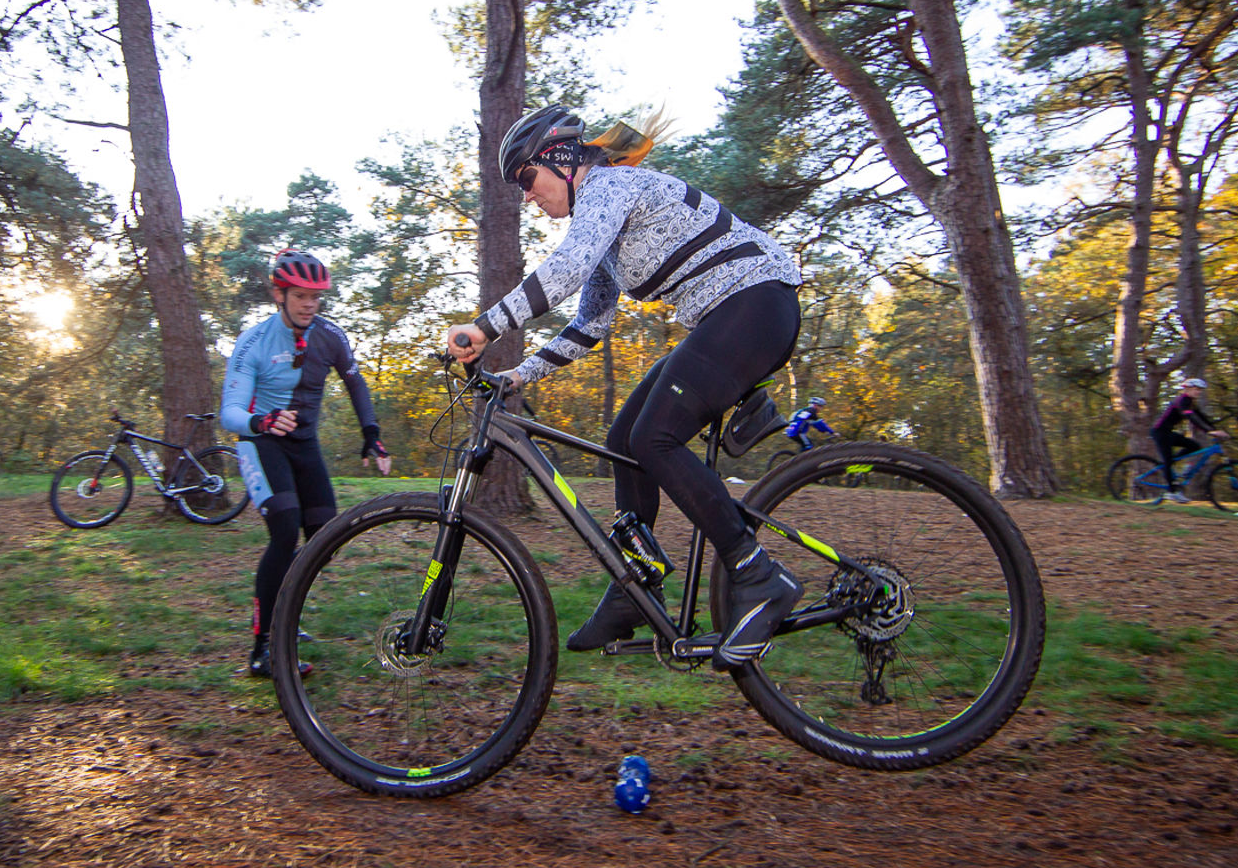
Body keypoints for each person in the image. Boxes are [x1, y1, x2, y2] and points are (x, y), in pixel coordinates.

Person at [446, 104, 804, 669]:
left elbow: (565, 268)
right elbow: (588, 326)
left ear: (561, 160)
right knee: (624, 440)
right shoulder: (602, 225)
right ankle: (635, 583)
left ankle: (758, 575)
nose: (527, 196)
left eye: (527, 178)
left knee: (654, 437)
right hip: (731, 315)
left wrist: (486, 326)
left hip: (755, 303)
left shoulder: (609, 187)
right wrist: (516, 376)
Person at [221, 249, 392, 678]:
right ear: (279, 294)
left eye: (316, 297)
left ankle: (283, 608)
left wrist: (370, 433)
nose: (309, 304)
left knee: (323, 540)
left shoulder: (330, 336)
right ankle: (263, 649)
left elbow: (355, 382)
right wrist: (261, 420)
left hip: (304, 444)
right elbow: (230, 411)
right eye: (300, 296)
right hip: (261, 442)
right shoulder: (254, 342)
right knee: (284, 530)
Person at [1151, 377, 1228, 503]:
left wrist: (1215, 430)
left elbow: (1201, 417)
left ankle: (1170, 465)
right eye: (1196, 389)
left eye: (1200, 390)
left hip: (1168, 432)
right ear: (1187, 389)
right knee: (1167, 460)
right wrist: (1208, 431)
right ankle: (1172, 492)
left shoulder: (1190, 402)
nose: (1198, 392)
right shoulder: (1182, 401)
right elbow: (1191, 417)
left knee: (1194, 446)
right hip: (1160, 432)